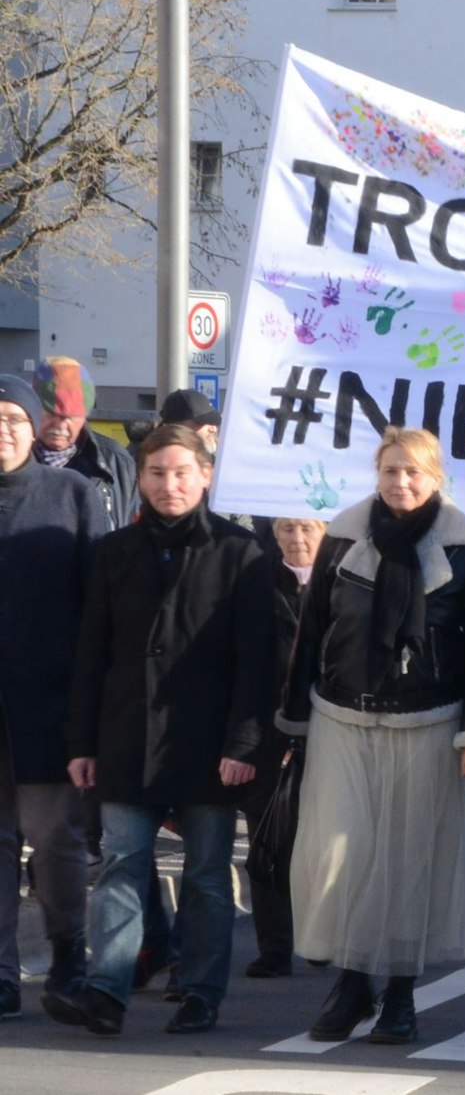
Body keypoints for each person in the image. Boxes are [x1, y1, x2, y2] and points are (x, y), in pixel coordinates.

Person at [45, 424, 275, 1036]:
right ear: (141, 478)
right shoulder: (116, 551)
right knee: (122, 862)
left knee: (205, 874)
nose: (169, 484)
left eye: (181, 472)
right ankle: (107, 990)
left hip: (209, 744)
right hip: (126, 736)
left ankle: (200, 990)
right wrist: (82, 743)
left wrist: (245, 743)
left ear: (205, 475)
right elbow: (91, 654)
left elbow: (259, 663)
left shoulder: (240, 551)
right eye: (156, 473)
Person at [281, 427, 465, 1044]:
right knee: (342, 856)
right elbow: (311, 629)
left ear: (435, 478)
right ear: (376, 475)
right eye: (390, 470)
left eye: (413, 472)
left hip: (427, 722)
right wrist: (293, 722)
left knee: (409, 861)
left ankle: (400, 993)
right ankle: (352, 984)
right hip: (341, 718)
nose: (400, 482)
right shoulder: (343, 536)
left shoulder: (464, 546)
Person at [0, 373, 109, 1019]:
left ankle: (70, 953)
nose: (3, 431)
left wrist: (90, 707)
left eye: (14, 418)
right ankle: (1, 972)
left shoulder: (71, 494)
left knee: (54, 836)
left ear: (35, 428)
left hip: (49, 704)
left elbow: (98, 610)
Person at [246, 516, 325, 979]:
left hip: (329, 727)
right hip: (267, 729)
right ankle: (274, 946)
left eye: (307, 529)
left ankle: (321, 933)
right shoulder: (255, 582)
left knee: (325, 838)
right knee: (268, 836)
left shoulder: (342, 584)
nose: (297, 539)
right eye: (287, 529)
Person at [30, 357, 137, 525]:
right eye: (51, 414)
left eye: (71, 417)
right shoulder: (11, 457)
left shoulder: (116, 462)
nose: (61, 426)